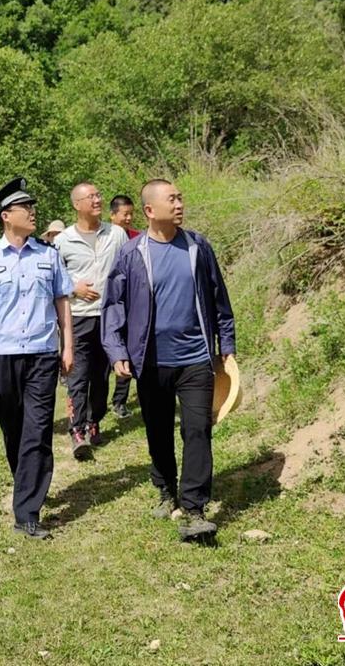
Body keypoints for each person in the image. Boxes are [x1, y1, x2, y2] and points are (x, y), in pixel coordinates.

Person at [101, 179, 236, 540]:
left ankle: (194, 509)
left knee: (197, 429)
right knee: (158, 430)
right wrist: (117, 351)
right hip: (150, 361)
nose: (179, 204)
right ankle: (165, 489)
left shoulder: (197, 247)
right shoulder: (132, 254)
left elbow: (218, 297)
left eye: (180, 198)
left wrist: (226, 343)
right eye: (171, 199)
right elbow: (113, 306)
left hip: (195, 358)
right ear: (149, 210)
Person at [0, 178, 74, 540]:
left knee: (37, 430)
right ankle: (27, 480)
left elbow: (62, 302)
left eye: (32, 207)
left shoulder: (48, 255)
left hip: (42, 354)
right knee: (14, 430)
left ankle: (27, 513)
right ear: (7, 216)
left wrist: (68, 346)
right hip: (5, 356)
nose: (33, 212)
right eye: (26, 208)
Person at [55, 183, 127, 459]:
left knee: (101, 376)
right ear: (77, 204)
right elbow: (54, 278)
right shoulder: (63, 241)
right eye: (91, 197)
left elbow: (127, 267)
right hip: (78, 317)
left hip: (109, 317)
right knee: (77, 374)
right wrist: (74, 288)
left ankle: (94, 420)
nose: (97, 200)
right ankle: (77, 430)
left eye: (99, 195)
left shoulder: (116, 234)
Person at [0, 219, 66, 349]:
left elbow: (62, 298)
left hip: (46, 338)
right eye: (54, 234)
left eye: (60, 234)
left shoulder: (54, 256)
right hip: (6, 344)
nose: (56, 238)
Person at [108, 194, 139, 417]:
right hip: (106, 303)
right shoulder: (104, 238)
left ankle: (119, 400)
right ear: (112, 215)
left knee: (126, 351)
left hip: (130, 305)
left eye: (131, 214)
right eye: (124, 214)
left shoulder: (138, 238)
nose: (128, 218)